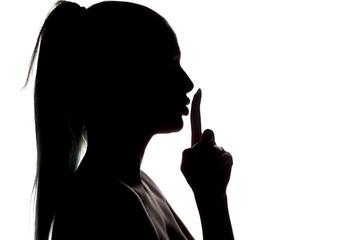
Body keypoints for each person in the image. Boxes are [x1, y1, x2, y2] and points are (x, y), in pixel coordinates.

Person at [26, 1, 234, 239]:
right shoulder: (102, 204)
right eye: (171, 63)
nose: (187, 83)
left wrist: (211, 192)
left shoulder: (141, 185)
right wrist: (211, 201)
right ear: (124, 75)